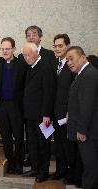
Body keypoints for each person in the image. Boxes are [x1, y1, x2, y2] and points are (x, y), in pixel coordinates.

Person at [18, 25, 56, 167]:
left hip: (43, 114)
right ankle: (35, 168)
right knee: (32, 143)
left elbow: (49, 91)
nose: (26, 58)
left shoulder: (46, 63)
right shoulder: (28, 63)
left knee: (43, 144)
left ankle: (42, 171)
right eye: (25, 55)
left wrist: (47, 114)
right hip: (30, 112)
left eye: (28, 55)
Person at [0, 37, 27, 174]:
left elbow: (25, 85)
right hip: (2, 105)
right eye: (3, 49)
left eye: (7, 49)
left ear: (14, 49)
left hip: (16, 106)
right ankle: (10, 162)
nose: (5, 51)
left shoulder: (22, 64)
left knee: (18, 136)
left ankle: (19, 163)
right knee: (5, 136)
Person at [50, 34, 82, 186]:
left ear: (68, 46)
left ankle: (74, 174)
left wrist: (70, 113)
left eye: (60, 46)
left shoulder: (72, 66)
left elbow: (75, 93)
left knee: (70, 147)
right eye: (55, 46)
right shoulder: (53, 63)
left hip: (67, 114)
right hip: (55, 113)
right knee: (59, 145)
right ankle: (61, 170)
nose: (57, 49)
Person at [66, 46, 98, 189]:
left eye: (71, 59)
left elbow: (87, 106)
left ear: (83, 57)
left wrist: (82, 130)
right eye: (67, 60)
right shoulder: (83, 73)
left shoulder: (89, 74)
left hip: (88, 131)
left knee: (90, 167)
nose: (69, 62)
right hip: (86, 129)